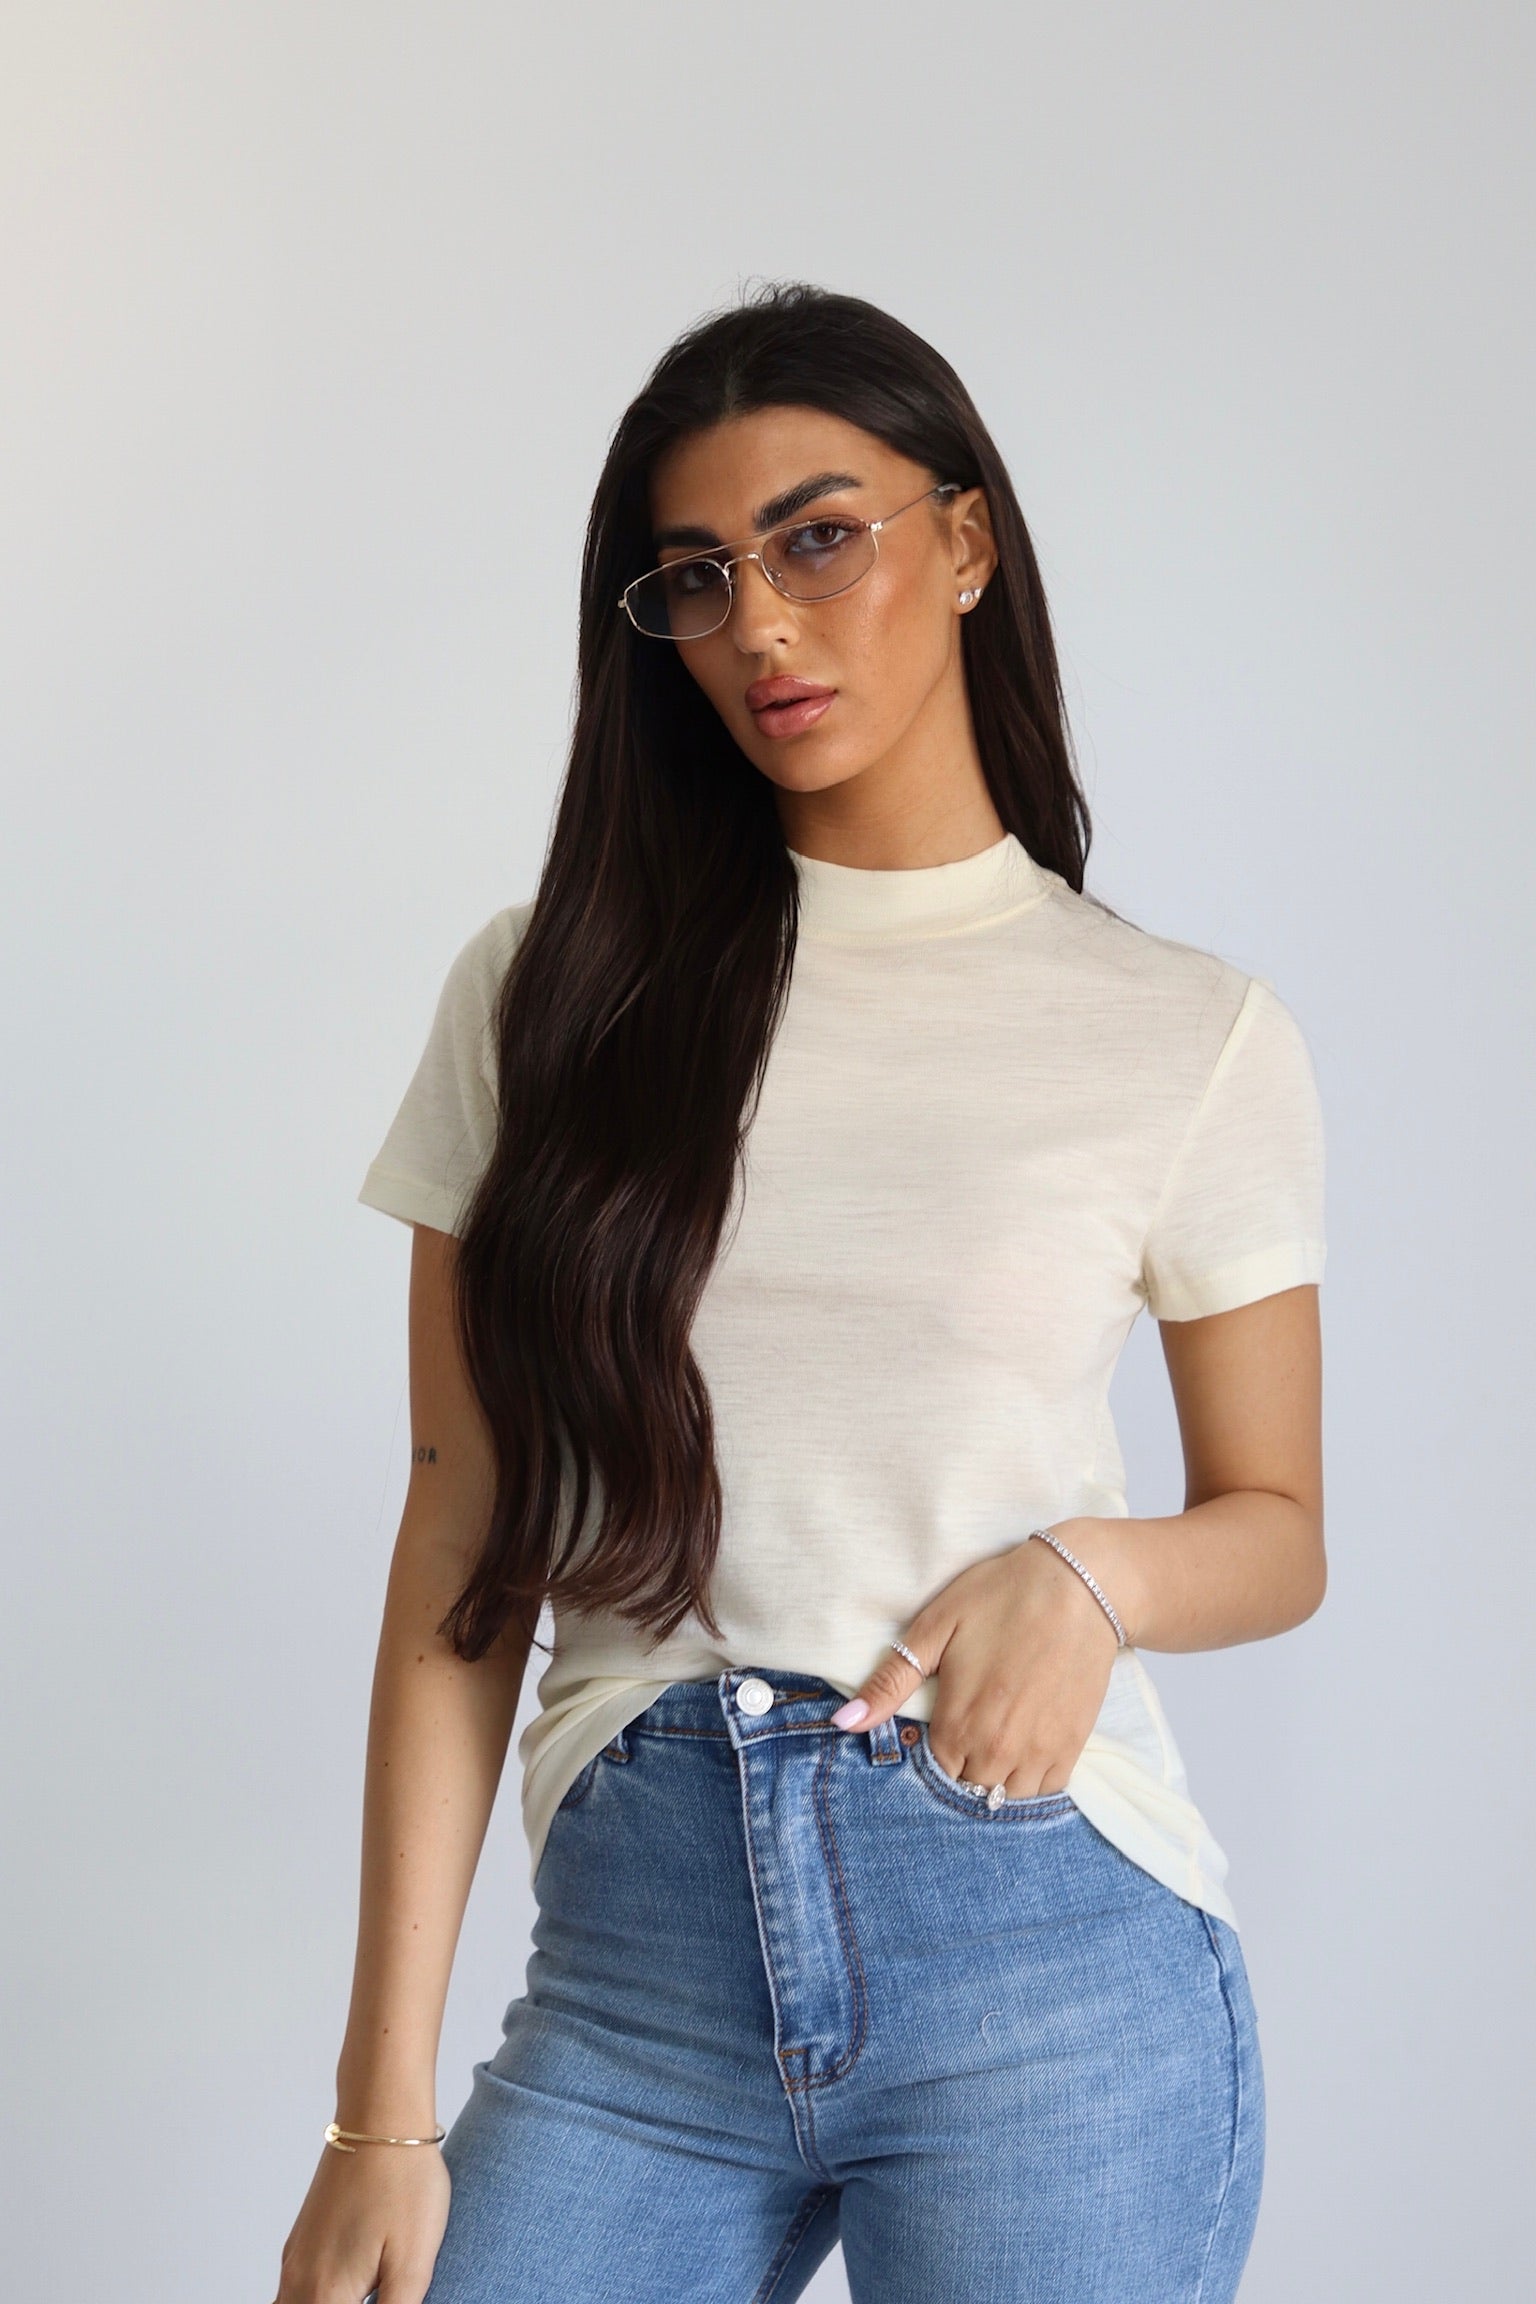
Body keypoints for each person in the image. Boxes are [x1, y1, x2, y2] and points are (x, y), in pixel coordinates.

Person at [274, 281, 1326, 2304]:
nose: (759, 623)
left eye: (817, 540)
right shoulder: (546, 995)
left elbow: (1278, 1529)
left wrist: (1093, 1578)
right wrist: (377, 2116)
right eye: (698, 577)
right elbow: (461, 1539)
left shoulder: (1182, 1033)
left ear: (964, 538)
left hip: (1046, 1970)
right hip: (635, 1985)